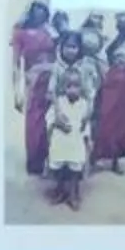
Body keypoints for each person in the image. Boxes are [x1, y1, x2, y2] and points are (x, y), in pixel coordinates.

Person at [42, 33, 93, 209]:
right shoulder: (58, 66)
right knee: (59, 159)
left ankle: (74, 193)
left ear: (79, 49)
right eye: (67, 46)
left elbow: (89, 92)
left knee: (75, 161)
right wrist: (57, 114)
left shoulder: (84, 67)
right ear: (61, 47)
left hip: (79, 114)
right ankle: (60, 190)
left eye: (74, 47)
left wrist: (88, 114)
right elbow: (51, 92)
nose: (71, 50)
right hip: (61, 112)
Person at [9, 0, 55, 177]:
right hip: (34, 79)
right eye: (37, 8)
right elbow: (15, 65)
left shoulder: (51, 30)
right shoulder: (20, 32)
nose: (40, 12)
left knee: (55, 119)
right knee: (34, 121)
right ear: (31, 10)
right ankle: (35, 161)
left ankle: (55, 161)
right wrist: (17, 93)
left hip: (53, 77)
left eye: (43, 9)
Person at [91, 19, 125, 173]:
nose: (123, 25)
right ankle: (96, 155)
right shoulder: (111, 41)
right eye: (120, 21)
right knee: (106, 118)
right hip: (112, 81)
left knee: (122, 123)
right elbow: (104, 56)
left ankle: (115, 161)